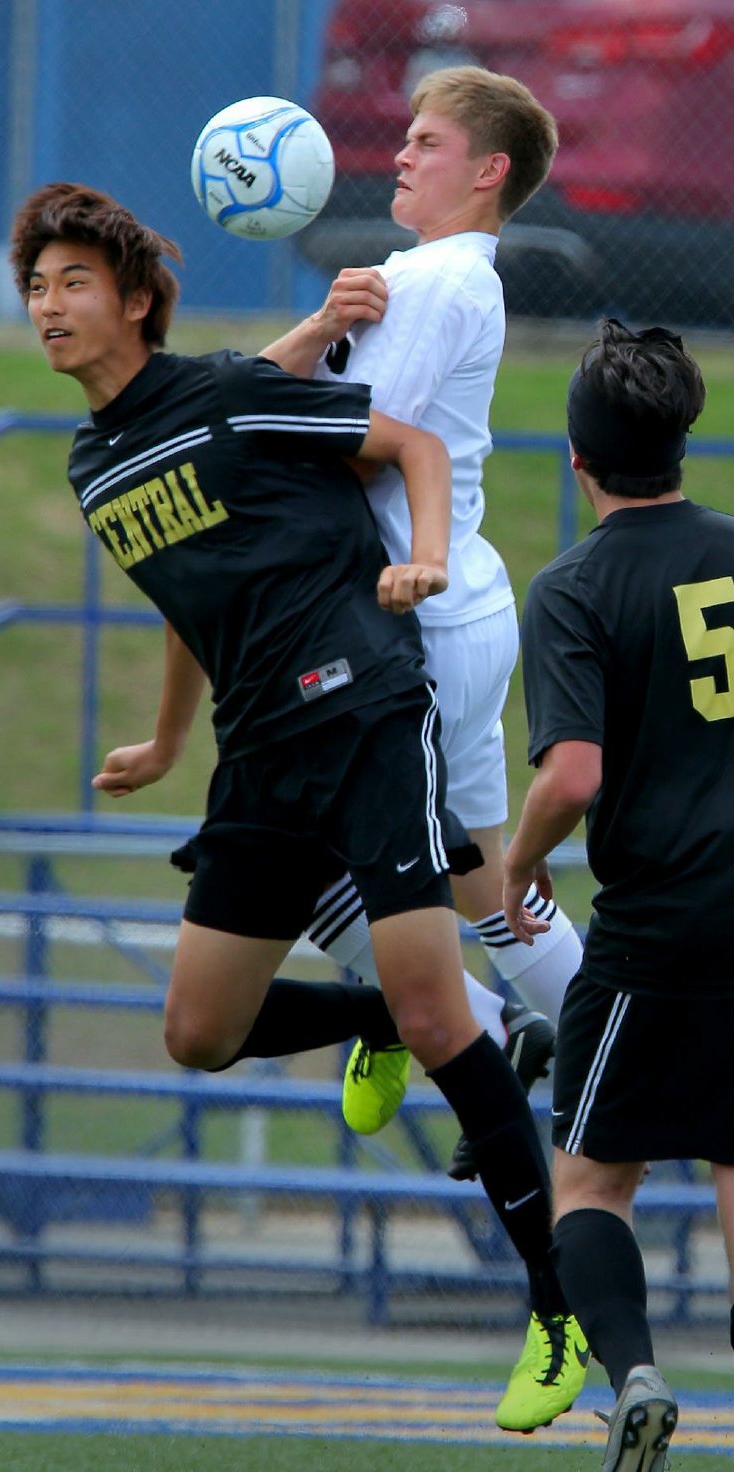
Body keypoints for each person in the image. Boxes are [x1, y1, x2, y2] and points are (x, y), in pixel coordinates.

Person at [10, 181, 588, 1434]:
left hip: (370, 712)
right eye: (36, 288)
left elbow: (412, 447)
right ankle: (372, 1006)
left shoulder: (226, 390)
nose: (49, 306)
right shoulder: (93, 457)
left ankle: (557, 1307)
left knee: (446, 1015)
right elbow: (189, 597)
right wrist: (167, 738)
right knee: (196, 1031)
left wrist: (422, 552)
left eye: (71, 284)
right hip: (259, 747)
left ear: (135, 301)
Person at [261, 65, 583, 1182]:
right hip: (429, 609)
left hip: (418, 617)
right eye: (402, 136)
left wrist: (267, 406)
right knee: (478, 884)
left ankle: (460, 1029)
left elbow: (360, 431)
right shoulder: (413, 272)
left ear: (487, 172)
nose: (399, 154)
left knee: (352, 869)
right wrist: (312, 329)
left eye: (426, 141)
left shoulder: (447, 281)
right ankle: (570, 1041)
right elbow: (278, 403)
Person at [502, 317, 734, 1469]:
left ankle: (634, 1372)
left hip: (658, 928)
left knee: (592, 1175)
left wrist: (518, 855)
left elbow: (573, 772)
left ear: (577, 456)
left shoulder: (575, 585)